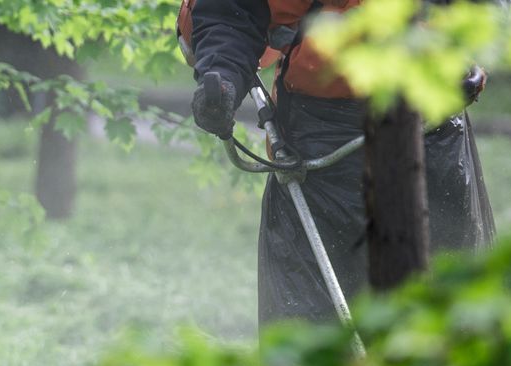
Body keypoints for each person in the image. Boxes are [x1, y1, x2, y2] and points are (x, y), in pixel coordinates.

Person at [185, 0, 494, 335]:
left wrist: (465, 46)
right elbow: (233, 9)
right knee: (304, 333)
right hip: (316, 138)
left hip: (430, 130)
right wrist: (224, 74)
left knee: (442, 322)